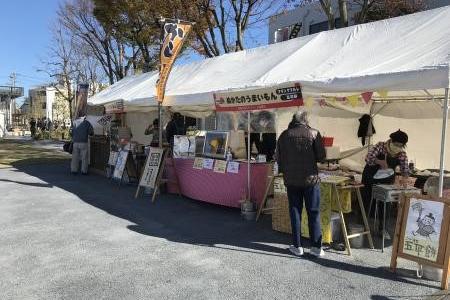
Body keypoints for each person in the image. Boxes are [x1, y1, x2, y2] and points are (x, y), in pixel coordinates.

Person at [276, 110, 326, 257]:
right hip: (311, 180)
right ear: (305, 120)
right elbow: (321, 156)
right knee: (314, 211)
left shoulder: (284, 135)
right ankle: (316, 247)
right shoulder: (314, 133)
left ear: (294, 119)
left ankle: (297, 246)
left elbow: (278, 158)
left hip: (291, 180)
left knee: (295, 211)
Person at [362, 130, 410, 232]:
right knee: (366, 200)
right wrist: (378, 161)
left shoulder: (401, 154)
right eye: (396, 144)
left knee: (385, 203)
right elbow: (368, 157)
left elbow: (405, 169)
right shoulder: (380, 146)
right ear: (391, 141)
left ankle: (382, 229)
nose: (397, 147)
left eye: (400, 146)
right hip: (370, 176)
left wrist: (404, 178)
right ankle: (363, 226)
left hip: (387, 180)